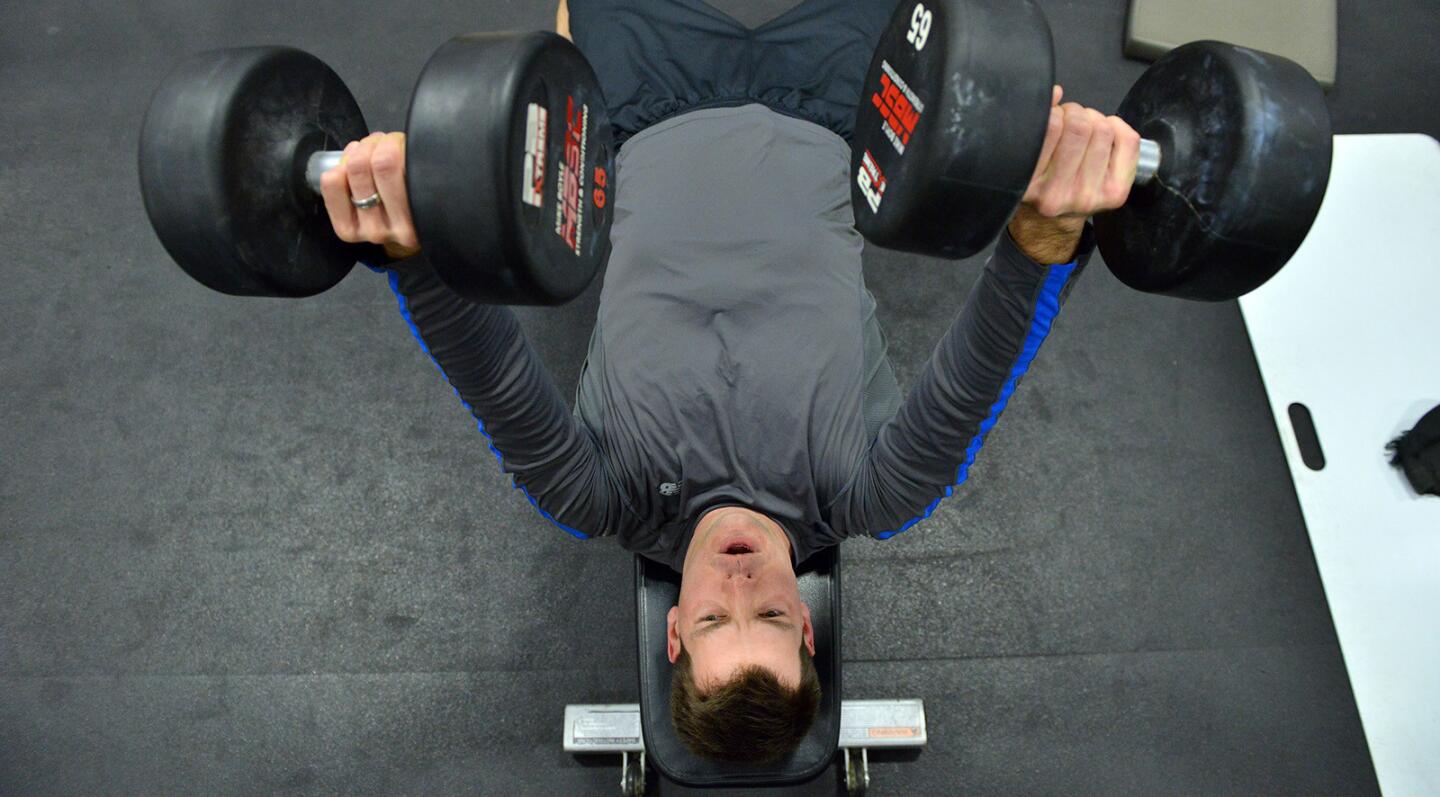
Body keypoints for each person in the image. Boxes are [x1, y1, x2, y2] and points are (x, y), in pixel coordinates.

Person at [318, 0, 1140, 763]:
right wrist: (1046, 232)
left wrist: (406, 253)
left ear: (674, 631)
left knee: (573, 20)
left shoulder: (599, 496)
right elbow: (980, 375)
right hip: (831, 116)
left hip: (641, 114)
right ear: (808, 629)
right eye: (773, 616)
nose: (741, 584)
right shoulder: (870, 494)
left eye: (717, 618)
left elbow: (490, 373)